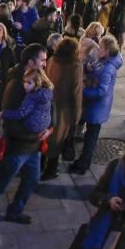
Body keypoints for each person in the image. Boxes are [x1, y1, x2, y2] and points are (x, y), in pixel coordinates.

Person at [0, 43, 49, 230]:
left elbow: (46, 107)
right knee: (2, 181)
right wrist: (31, 135)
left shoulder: (38, 78)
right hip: (19, 146)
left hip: (34, 145)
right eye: (43, 60)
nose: (46, 64)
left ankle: (15, 211)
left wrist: (49, 128)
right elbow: (9, 119)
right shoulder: (17, 85)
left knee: (32, 180)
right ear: (31, 62)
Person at [70, 36, 124, 174]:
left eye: (100, 48)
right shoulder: (103, 61)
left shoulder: (108, 68)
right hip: (95, 106)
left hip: (97, 107)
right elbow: (95, 72)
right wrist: (88, 70)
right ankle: (83, 161)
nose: (98, 49)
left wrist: (83, 90)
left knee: (91, 137)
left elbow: (101, 91)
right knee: (90, 135)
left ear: (107, 51)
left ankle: (83, 164)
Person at [42, 37, 83, 181]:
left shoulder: (52, 59)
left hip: (48, 103)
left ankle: (41, 164)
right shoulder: (75, 65)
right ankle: (50, 170)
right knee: (57, 140)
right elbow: (77, 92)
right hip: (64, 108)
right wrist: (77, 115)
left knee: (46, 135)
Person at [0, 67, 53, 140]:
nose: (25, 85)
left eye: (29, 83)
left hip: (33, 125)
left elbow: (22, 113)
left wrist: (4, 114)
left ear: (37, 83)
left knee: (13, 125)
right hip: (45, 124)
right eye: (24, 82)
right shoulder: (46, 92)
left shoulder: (32, 96)